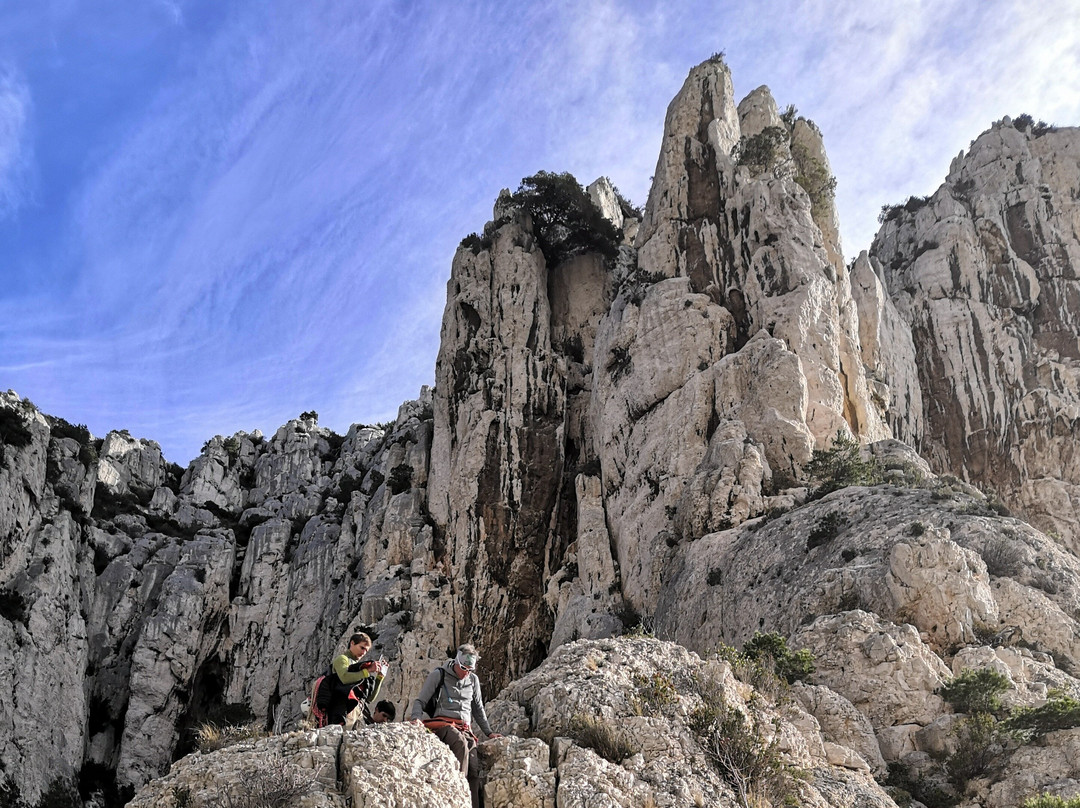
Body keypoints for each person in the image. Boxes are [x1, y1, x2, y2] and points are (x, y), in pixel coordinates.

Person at [410, 644, 501, 808]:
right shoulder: (439, 675)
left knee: (473, 766)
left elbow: (478, 708)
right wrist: (416, 718)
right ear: (457, 662)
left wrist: (489, 732)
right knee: (459, 743)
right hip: (443, 725)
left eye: (470, 670)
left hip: (465, 727)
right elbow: (420, 701)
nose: (466, 673)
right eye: (463, 668)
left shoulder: (473, 680)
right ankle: (456, 794)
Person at [321, 632, 387, 726]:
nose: (363, 652)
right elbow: (344, 678)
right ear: (352, 643)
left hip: (356, 712)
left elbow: (369, 698)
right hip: (341, 710)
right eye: (362, 648)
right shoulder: (342, 659)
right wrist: (367, 671)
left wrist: (379, 677)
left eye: (366, 650)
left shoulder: (361, 668)